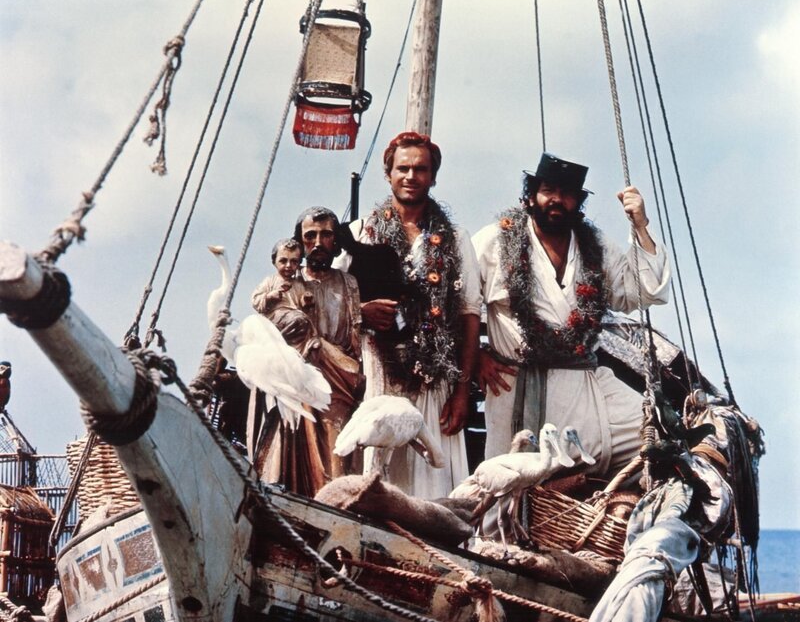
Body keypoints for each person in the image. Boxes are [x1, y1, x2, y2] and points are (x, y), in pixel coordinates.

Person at [472, 152, 671, 478]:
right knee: (508, 481)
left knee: (656, 437)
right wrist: (476, 356)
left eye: (567, 194)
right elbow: (458, 301)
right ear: (531, 195)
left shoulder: (595, 245)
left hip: (582, 384)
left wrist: (640, 226)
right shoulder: (494, 241)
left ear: (578, 202)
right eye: (548, 190)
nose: (557, 200)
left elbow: (642, 292)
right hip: (513, 386)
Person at [334, 131, 481, 499]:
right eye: (402, 169)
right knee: (375, 469)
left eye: (420, 169)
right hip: (376, 372)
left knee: (431, 477)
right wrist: (361, 312)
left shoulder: (456, 239)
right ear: (388, 174)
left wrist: (462, 392)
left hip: (434, 379)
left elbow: (469, 315)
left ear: (433, 176)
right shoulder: (360, 232)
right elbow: (330, 298)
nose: (411, 176)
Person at [252, 214, 363, 497]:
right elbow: (265, 324)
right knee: (286, 456)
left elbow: (355, 335)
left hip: (337, 380)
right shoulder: (285, 280)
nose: (318, 243)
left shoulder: (348, 283)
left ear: (336, 240)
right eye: (310, 236)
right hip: (296, 378)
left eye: (326, 235)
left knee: (337, 461)